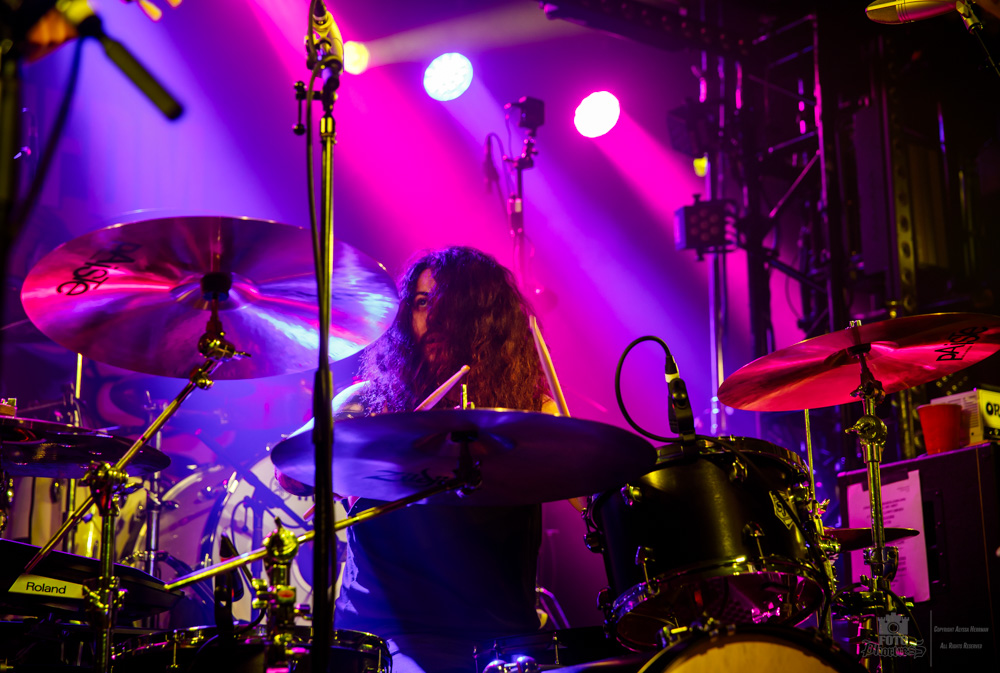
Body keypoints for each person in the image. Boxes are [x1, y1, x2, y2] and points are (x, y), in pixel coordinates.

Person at [326, 246, 556, 673]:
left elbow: (588, 489)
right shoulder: (365, 405)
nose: (430, 317)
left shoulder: (532, 411)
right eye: (419, 301)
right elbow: (296, 472)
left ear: (483, 316)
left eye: (447, 302)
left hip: (501, 638)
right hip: (385, 639)